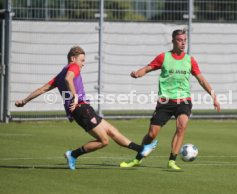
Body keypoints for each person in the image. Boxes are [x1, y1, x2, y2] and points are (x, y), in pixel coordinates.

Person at [15, 46, 158, 170]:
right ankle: (73, 154)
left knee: (112, 131)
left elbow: (42, 89)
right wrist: (75, 96)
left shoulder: (59, 75)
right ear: (73, 58)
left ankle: (142, 149)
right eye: (82, 60)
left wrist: (24, 101)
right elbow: (68, 79)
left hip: (83, 110)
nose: (83, 64)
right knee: (104, 140)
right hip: (81, 109)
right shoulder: (73, 67)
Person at [120, 29, 221, 170]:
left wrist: (214, 97)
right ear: (173, 41)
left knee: (182, 126)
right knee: (152, 134)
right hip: (165, 101)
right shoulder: (163, 57)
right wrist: (138, 73)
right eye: (180, 40)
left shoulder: (190, 60)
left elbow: (202, 80)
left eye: (185, 40)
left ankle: (172, 160)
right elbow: (148, 68)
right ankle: (138, 158)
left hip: (183, 100)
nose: (183, 43)